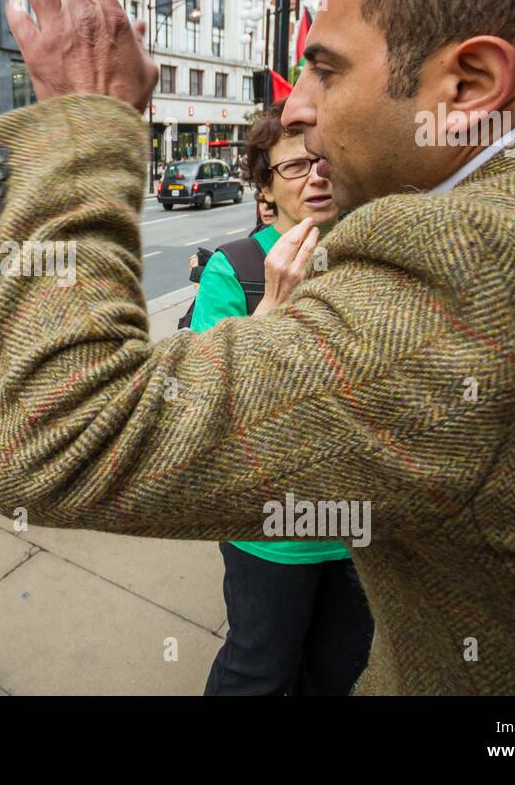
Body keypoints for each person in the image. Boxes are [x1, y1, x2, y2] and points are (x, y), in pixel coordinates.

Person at [0, 0, 515, 694]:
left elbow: (51, 440)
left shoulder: (486, 268)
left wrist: (89, 122)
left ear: (474, 81)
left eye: (328, 67)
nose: (298, 106)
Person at [190, 103, 371, 695]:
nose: (316, 175)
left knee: (340, 671)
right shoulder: (237, 268)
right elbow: (204, 400)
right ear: (264, 187)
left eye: (323, 159)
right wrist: (272, 307)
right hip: (271, 531)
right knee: (258, 669)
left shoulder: (375, 250)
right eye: (294, 167)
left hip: (361, 530)